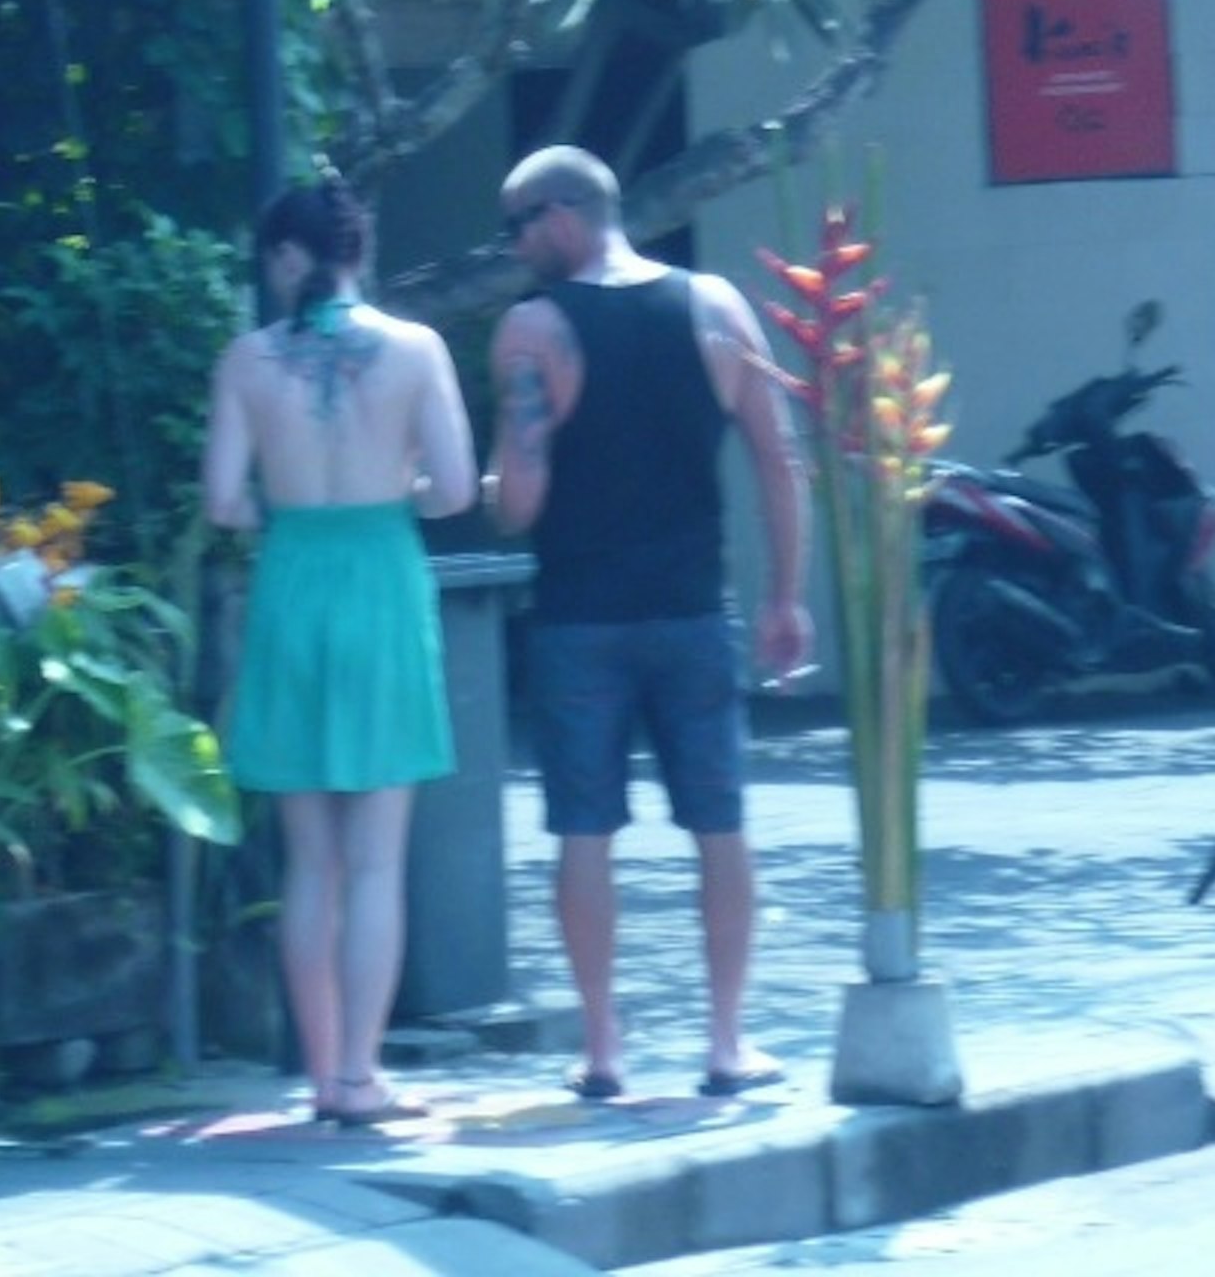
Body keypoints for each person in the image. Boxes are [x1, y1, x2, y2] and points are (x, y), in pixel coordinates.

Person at [484, 144, 811, 1103]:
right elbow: (778, 461)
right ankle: (725, 1043)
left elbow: (520, 506)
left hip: (577, 619)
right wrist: (787, 597)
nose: (513, 248)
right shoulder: (718, 308)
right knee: (721, 825)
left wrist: (497, 478)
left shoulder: (532, 333)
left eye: (518, 227)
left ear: (564, 217)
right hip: (690, 611)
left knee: (584, 833)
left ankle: (603, 1051)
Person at [202, 176, 480, 1127]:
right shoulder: (415, 350)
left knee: (309, 864)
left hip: (292, 580)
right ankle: (363, 1077)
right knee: (376, 861)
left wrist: (283, 499)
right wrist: (392, 479)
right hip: (380, 579)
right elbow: (452, 489)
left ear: (288, 257)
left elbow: (222, 501)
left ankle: (322, 1074)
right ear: (358, 252)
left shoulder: (247, 360)